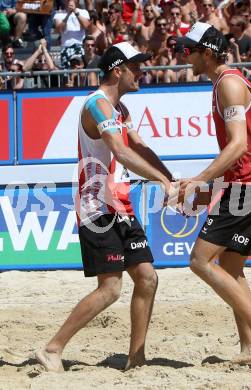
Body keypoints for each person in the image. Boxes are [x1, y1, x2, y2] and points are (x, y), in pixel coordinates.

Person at [36, 42, 175, 373]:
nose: (142, 71)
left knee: (147, 278)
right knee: (111, 288)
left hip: (121, 205)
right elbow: (123, 153)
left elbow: (139, 146)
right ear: (118, 70)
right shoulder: (97, 106)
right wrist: (161, 181)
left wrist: (172, 179)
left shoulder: (120, 111)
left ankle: (136, 358)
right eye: (136, 66)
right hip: (96, 208)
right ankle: (52, 349)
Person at [170, 22, 251, 364]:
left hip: (250, 183)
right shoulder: (225, 83)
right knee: (231, 269)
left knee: (200, 261)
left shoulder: (229, 84)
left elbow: (239, 145)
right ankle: (250, 348)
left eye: (189, 51)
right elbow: (240, 149)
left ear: (207, 52)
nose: (184, 57)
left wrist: (202, 180)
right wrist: (212, 186)